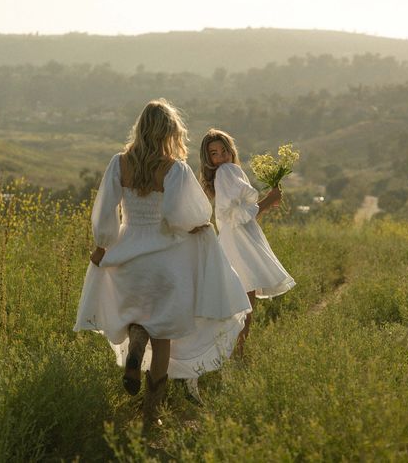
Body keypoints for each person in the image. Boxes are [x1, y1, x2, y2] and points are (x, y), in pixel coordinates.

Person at [74, 101, 251, 430]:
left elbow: (105, 213)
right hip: (164, 261)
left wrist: (103, 245)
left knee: (140, 316)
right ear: (170, 132)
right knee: (164, 337)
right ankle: (151, 415)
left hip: (128, 255)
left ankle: (136, 337)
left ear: (140, 128)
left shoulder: (119, 163)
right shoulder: (175, 168)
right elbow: (179, 216)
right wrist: (197, 225)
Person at [199, 129, 295, 356]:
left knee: (243, 302)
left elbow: (241, 215)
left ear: (232, 151)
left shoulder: (226, 173)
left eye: (224, 151)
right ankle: (235, 354)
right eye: (214, 153)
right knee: (245, 303)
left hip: (238, 239)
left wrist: (266, 204)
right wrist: (268, 200)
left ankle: (234, 352)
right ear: (208, 158)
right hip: (239, 243)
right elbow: (236, 216)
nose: (221, 157)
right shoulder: (227, 172)